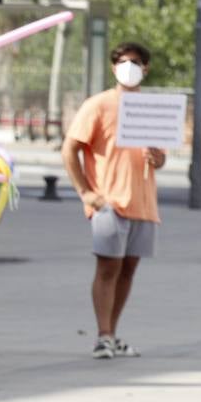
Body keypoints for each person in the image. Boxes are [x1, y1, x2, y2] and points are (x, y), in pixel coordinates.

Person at [61, 42, 166, 359]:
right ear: (113, 67)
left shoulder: (152, 108)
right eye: (122, 62)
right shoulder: (98, 105)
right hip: (108, 200)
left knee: (128, 269)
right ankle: (103, 335)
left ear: (146, 68)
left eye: (134, 62)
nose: (128, 67)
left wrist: (157, 157)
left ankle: (113, 332)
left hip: (143, 203)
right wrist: (86, 192)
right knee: (108, 266)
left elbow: (159, 159)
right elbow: (70, 149)